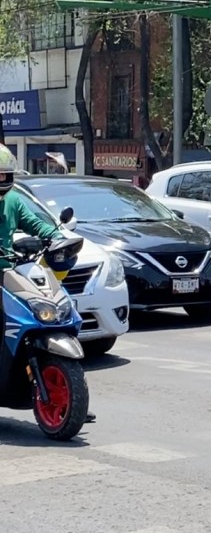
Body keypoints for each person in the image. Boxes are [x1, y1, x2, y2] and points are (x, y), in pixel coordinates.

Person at [0, 145, 96, 423]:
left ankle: (71, 397)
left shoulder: (14, 200)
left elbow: (36, 224)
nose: (3, 182)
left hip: (10, 272)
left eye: (6, 176)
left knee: (48, 314)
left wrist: (56, 237)